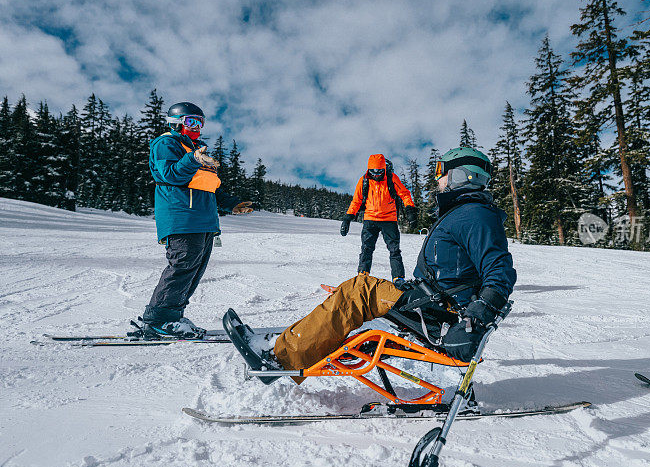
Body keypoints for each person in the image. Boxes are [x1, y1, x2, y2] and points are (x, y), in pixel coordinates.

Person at [226, 147, 516, 384]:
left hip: (443, 316)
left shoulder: (474, 215)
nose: (437, 179)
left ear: (459, 176)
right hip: (430, 302)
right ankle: (290, 345)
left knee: (359, 289)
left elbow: (499, 269)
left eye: (441, 172)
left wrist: (478, 315)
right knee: (353, 290)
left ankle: (278, 358)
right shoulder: (464, 213)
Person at [138, 102, 253, 339]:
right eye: (191, 121)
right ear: (176, 122)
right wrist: (192, 158)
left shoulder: (196, 151)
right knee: (181, 267)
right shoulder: (166, 144)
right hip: (181, 217)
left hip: (203, 220)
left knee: (194, 269)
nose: (197, 127)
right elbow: (169, 174)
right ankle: (157, 321)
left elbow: (208, 187)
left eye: (200, 122)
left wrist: (231, 203)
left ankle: (173, 316)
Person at [340, 154, 417, 285]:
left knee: (394, 250)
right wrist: (347, 218)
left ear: (384, 169)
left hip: (389, 220)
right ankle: (362, 275)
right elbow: (357, 201)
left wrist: (410, 209)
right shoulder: (364, 180)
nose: (376, 175)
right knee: (366, 248)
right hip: (370, 219)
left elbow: (404, 194)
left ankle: (398, 278)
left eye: (379, 172)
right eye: (373, 172)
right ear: (369, 169)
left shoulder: (391, 178)